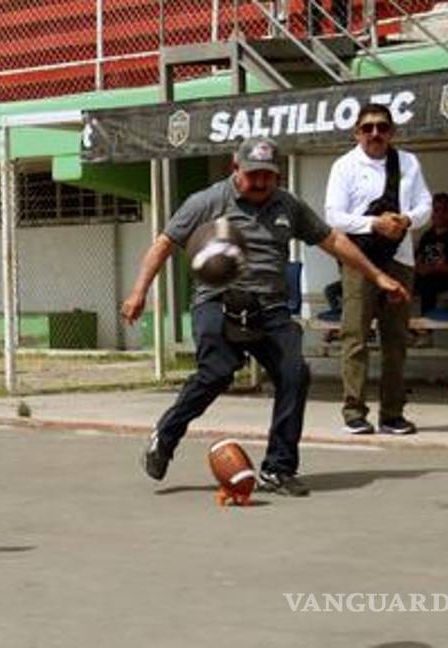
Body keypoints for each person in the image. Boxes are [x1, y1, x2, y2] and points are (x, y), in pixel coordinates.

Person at [122, 136, 409, 497]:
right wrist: (138, 292)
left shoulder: (287, 204)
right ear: (235, 169)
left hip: (270, 306)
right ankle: (166, 435)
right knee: (218, 372)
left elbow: (332, 240)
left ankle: (278, 468)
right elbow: (165, 242)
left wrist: (378, 276)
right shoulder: (208, 201)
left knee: (294, 373)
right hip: (218, 299)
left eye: (268, 176)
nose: (260, 182)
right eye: (253, 174)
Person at [324, 103, 431, 436]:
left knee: (396, 339)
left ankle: (393, 413)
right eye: (368, 127)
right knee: (354, 335)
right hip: (360, 261)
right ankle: (354, 411)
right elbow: (334, 217)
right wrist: (375, 224)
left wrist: (407, 219)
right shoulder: (344, 166)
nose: (375, 134)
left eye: (382, 127)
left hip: (400, 259)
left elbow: (425, 204)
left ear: (391, 132)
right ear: (357, 132)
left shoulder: (408, 162)